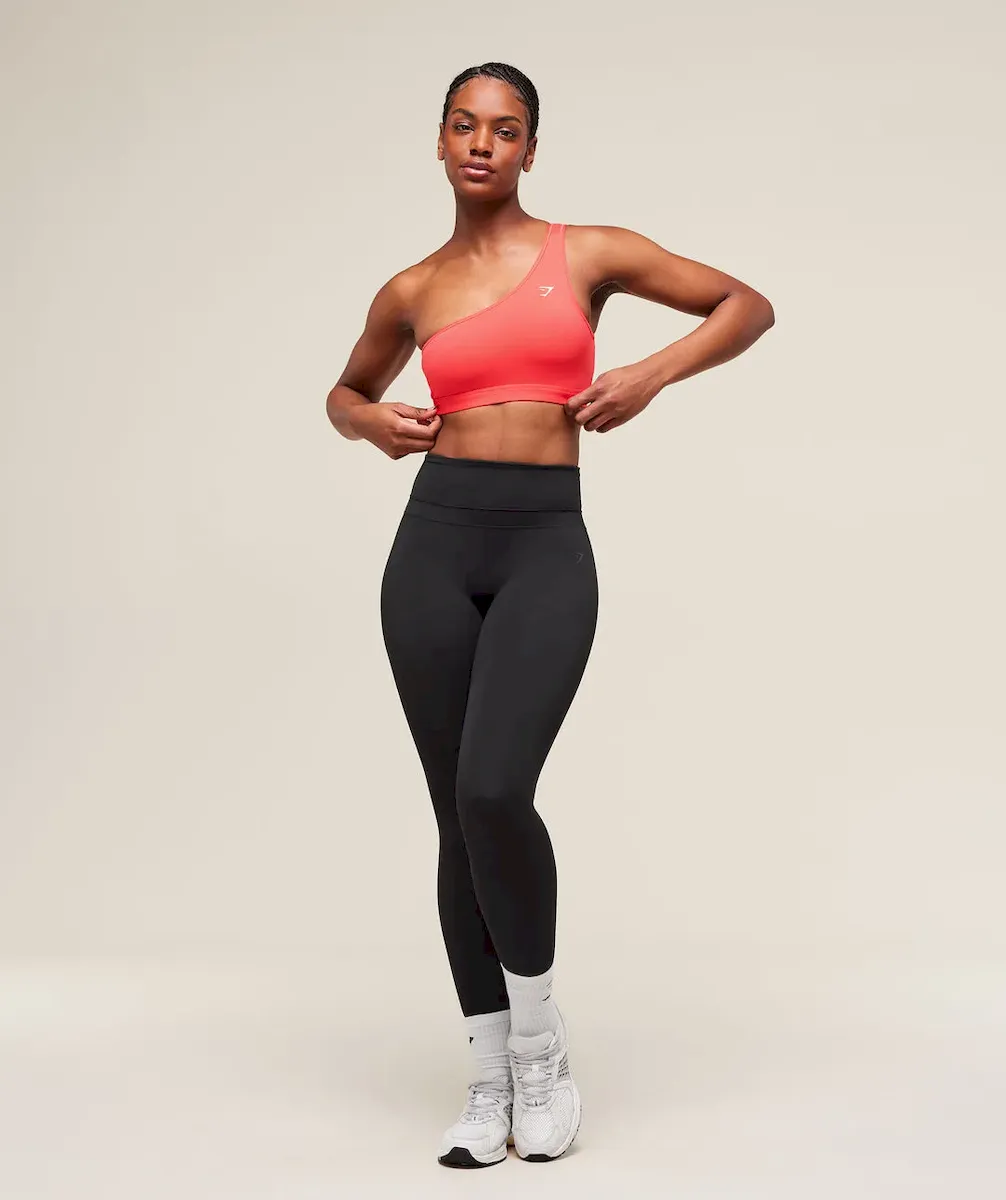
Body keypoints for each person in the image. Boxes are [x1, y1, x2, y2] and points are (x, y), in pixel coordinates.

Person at [325, 61, 774, 1168]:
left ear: (531, 149)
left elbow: (745, 305)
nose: (483, 143)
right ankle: (488, 1076)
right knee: (455, 814)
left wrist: (652, 373)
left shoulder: (588, 252)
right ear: (439, 143)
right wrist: (370, 423)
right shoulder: (412, 287)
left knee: (494, 790)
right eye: (464, 125)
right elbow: (343, 392)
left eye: (506, 128)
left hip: (542, 546)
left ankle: (539, 1049)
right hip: (431, 549)